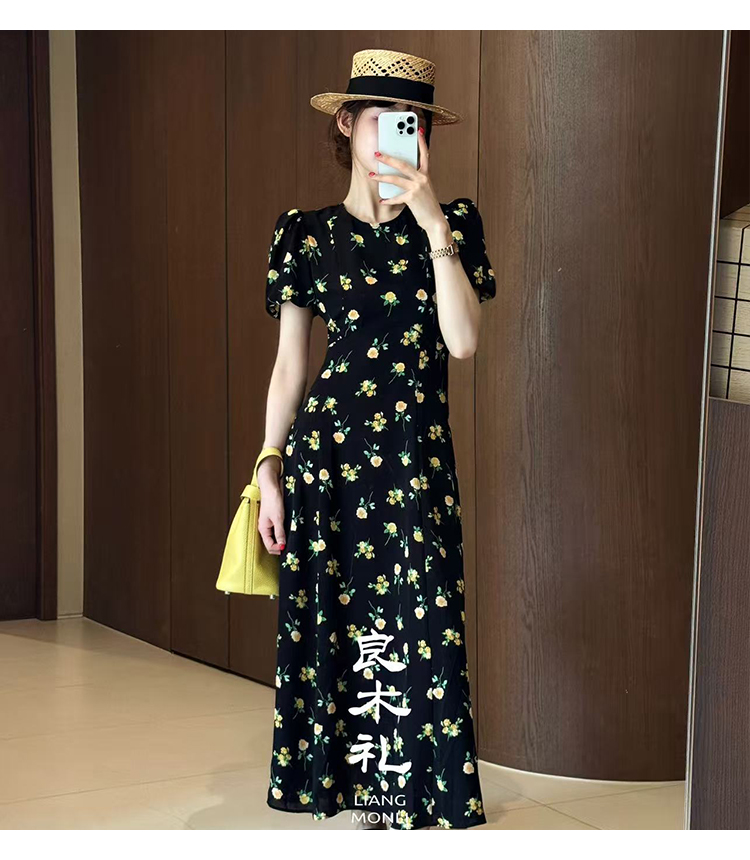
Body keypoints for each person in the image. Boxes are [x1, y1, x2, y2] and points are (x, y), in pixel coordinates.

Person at [261, 48, 496, 831]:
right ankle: (357, 789)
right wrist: (268, 469)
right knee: (340, 621)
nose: (402, 136)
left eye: (415, 124)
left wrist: (432, 225)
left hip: (414, 457)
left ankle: (411, 792)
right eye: (384, 120)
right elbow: (290, 368)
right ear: (346, 124)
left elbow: (463, 342)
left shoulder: (453, 224)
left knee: (416, 616)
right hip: (328, 458)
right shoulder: (305, 235)